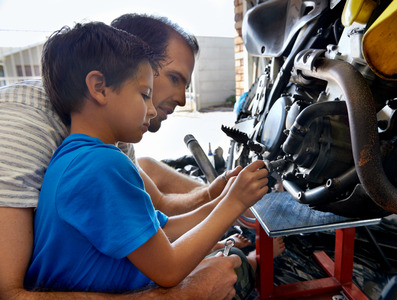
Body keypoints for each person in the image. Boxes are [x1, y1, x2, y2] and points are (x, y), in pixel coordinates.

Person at [0, 14, 248, 300]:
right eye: (145, 93)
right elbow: (168, 269)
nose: (178, 100)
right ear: (100, 87)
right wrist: (233, 204)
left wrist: (216, 199)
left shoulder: (82, 151)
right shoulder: (33, 131)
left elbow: (157, 218)